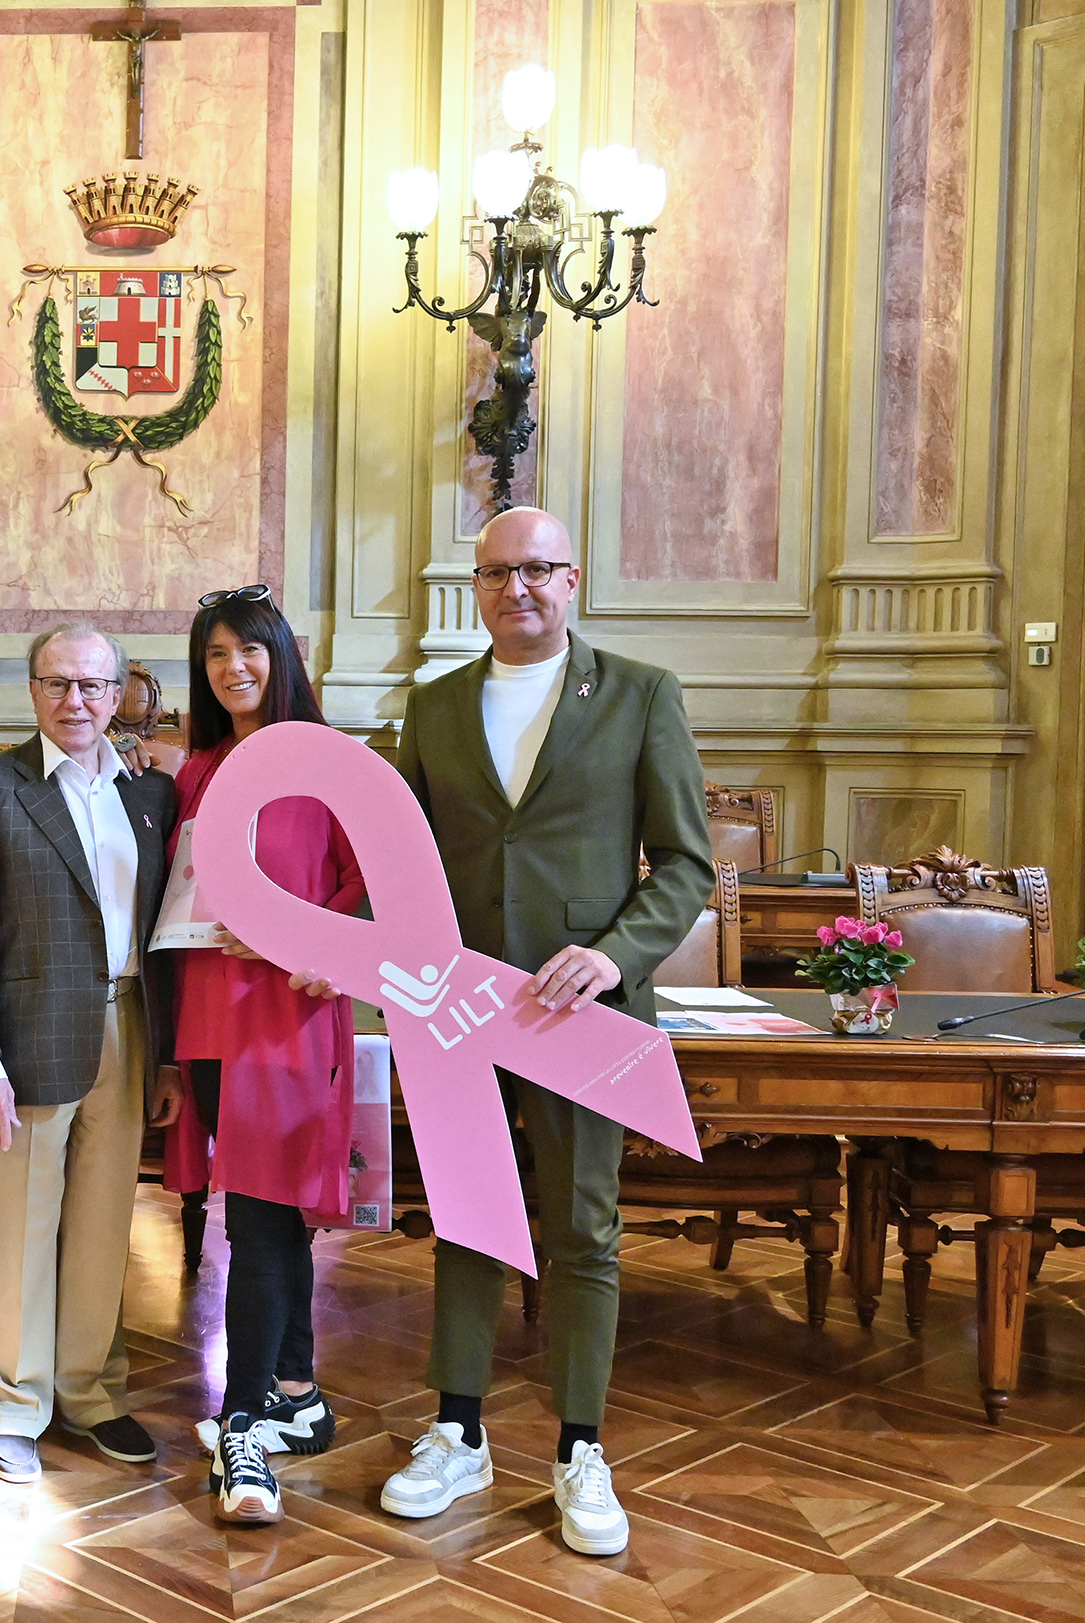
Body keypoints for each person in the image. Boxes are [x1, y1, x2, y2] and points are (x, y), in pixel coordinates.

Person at [381, 507, 710, 1556]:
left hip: (586, 1010)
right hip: (463, 1011)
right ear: (474, 589)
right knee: (469, 1219)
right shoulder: (431, 709)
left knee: (582, 1231)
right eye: (494, 574)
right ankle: (458, 1429)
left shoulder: (639, 695)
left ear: (571, 581)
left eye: (536, 571)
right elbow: (407, 863)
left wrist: (616, 955)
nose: (515, 589)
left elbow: (686, 863)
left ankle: (579, 1448)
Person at [0, 623, 178, 1486]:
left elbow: (168, 932)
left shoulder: (148, 796)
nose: (74, 701)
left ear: (119, 697)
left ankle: (89, 1391)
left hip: (129, 1025)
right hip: (26, 1035)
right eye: (56, 683)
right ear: (32, 692)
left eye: (91, 685)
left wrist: (173, 1057)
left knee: (105, 1224)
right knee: (16, 1224)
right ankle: (12, 1402)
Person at [159, 585, 362, 1523]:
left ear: (281, 653)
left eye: (249, 649)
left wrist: (315, 944)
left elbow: (374, 898)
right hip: (207, 1015)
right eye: (214, 655)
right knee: (255, 1207)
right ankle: (298, 1394)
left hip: (287, 1015)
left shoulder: (336, 766)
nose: (233, 667)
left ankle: (242, 1419)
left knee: (264, 1216)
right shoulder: (195, 773)